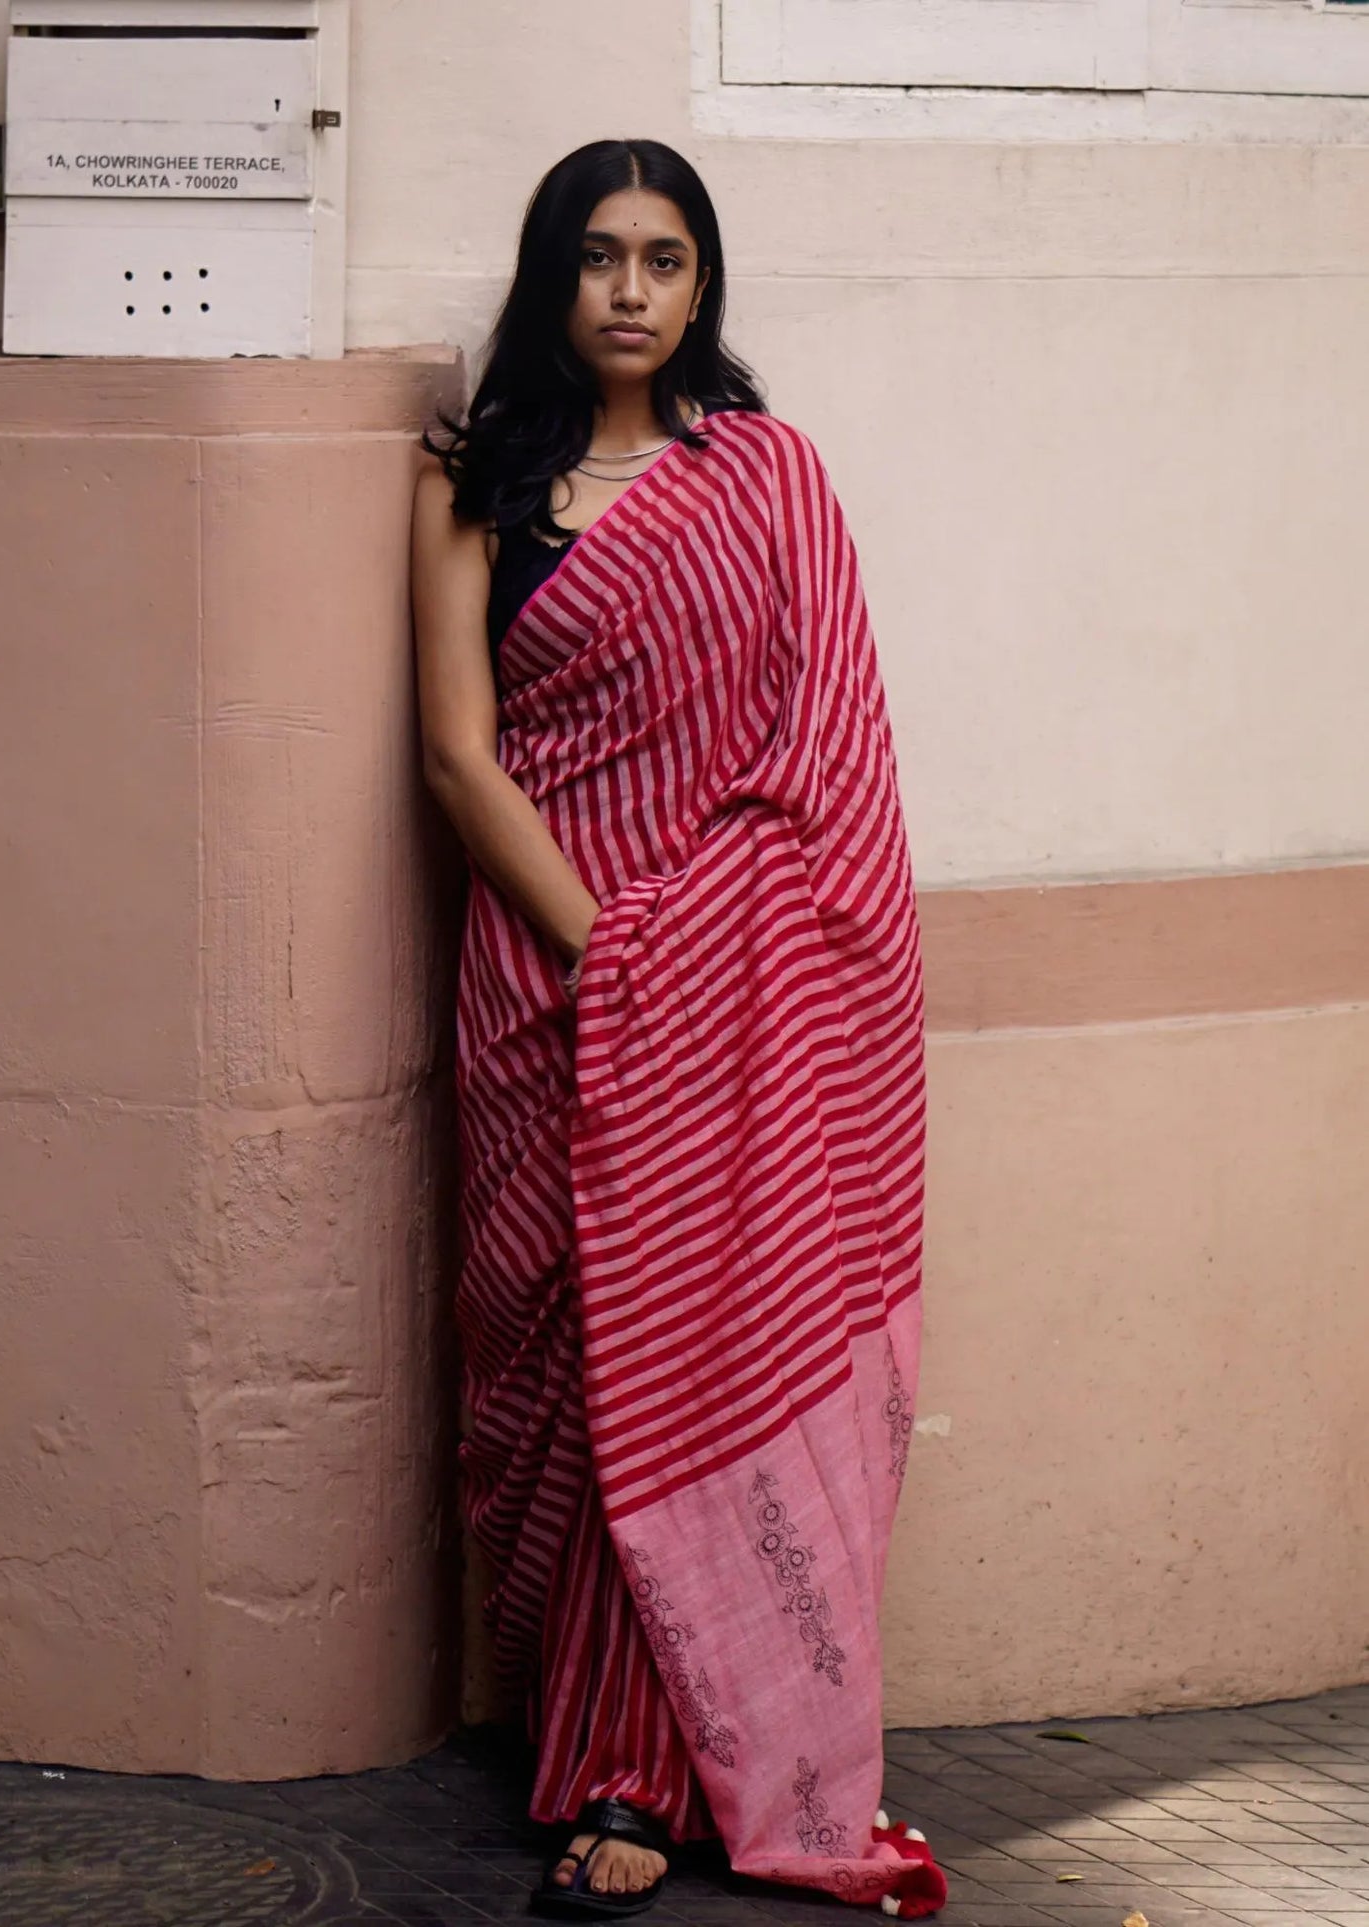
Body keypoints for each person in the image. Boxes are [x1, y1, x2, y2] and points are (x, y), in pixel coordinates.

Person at [411, 139, 944, 1921]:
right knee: (572, 1360)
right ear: (547, 279)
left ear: (703, 284)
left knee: (699, 1345)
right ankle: (599, 1727)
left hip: (728, 997)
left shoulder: (767, 477)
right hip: (548, 977)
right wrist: (603, 950)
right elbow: (455, 756)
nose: (628, 289)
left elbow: (820, 763)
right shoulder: (473, 479)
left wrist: (677, 960)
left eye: (662, 257)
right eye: (593, 257)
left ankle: (649, 1770)